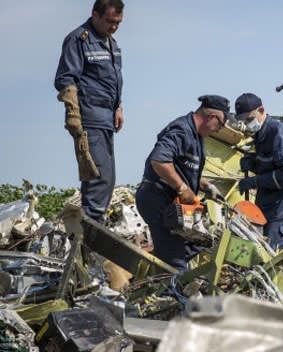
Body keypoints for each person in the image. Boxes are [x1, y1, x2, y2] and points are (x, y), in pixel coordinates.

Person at [135, 95, 229, 270]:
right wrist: (182, 187)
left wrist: (204, 185)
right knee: (176, 263)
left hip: (172, 205)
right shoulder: (182, 130)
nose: (218, 130)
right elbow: (159, 161)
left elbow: (181, 167)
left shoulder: (197, 136)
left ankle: (157, 269)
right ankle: (169, 291)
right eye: (221, 125)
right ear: (212, 117)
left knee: (202, 241)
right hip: (157, 200)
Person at [54, 0, 125, 221]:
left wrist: (118, 106)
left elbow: (110, 80)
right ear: (94, 14)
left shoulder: (111, 43)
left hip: (106, 117)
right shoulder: (79, 39)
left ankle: (90, 230)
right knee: (98, 178)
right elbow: (66, 79)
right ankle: (90, 236)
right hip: (90, 116)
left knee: (108, 179)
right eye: (110, 21)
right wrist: (73, 115)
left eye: (118, 23)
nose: (114, 27)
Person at [234, 93, 283, 249]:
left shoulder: (278, 132)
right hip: (272, 206)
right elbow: (272, 164)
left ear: (261, 110)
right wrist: (254, 163)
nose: (247, 125)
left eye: (249, 119)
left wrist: (255, 181)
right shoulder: (261, 133)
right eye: (244, 121)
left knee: (274, 258)